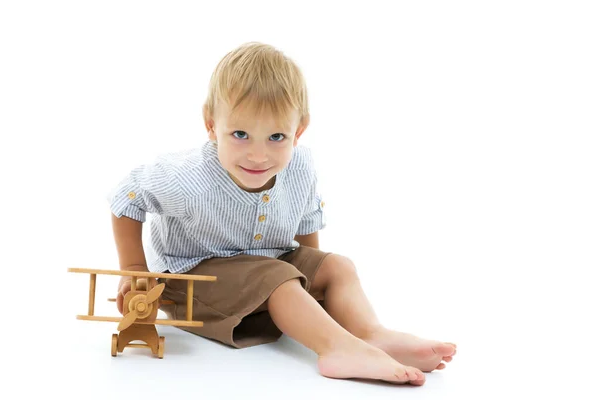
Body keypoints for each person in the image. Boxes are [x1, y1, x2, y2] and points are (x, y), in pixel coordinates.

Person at [108, 42, 456, 385]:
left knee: (337, 266)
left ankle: (370, 334)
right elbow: (127, 198)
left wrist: (314, 273)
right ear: (212, 126)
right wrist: (136, 270)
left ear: (298, 131)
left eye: (276, 137)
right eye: (240, 134)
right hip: (195, 278)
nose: (258, 156)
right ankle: (337, 347)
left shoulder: (300, 166)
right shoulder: (188, 177)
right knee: (278, 279)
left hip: (270, 263)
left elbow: (305, 224)